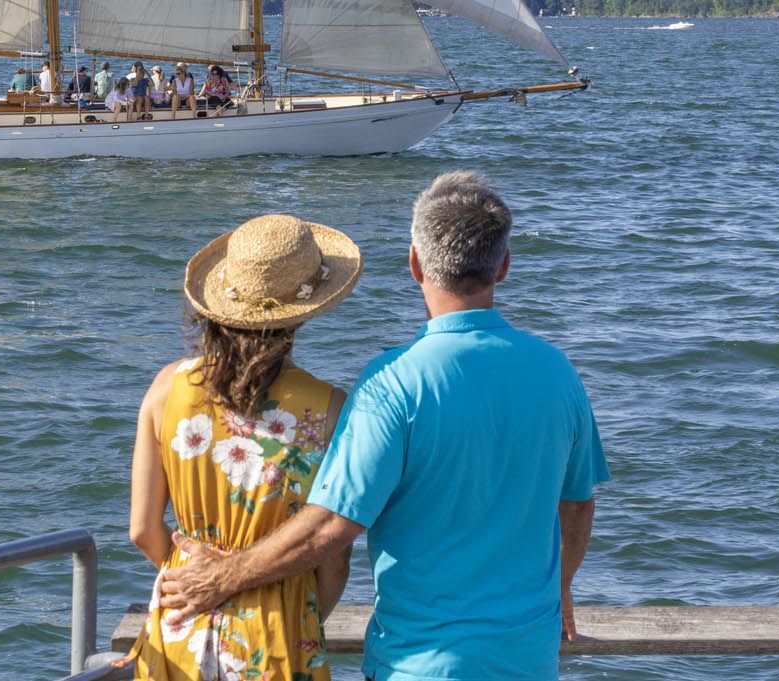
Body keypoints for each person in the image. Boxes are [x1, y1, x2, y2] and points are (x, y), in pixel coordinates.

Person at [158, 172, 612, 681]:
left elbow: (333, 525)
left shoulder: (393, 381)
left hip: (419, 664)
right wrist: (560, 586)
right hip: (528, 661)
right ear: (503, 266)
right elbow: (577, 505)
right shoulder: (558, 373)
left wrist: (225, 576)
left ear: (414, 262)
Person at [124, 214, 363, 681]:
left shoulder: (165, 389)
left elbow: (142, 530)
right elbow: (333, 556)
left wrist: (199, 578)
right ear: (304, 312)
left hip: (181, 616)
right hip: (278, 628)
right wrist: (290, 605)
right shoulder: (331, 408)